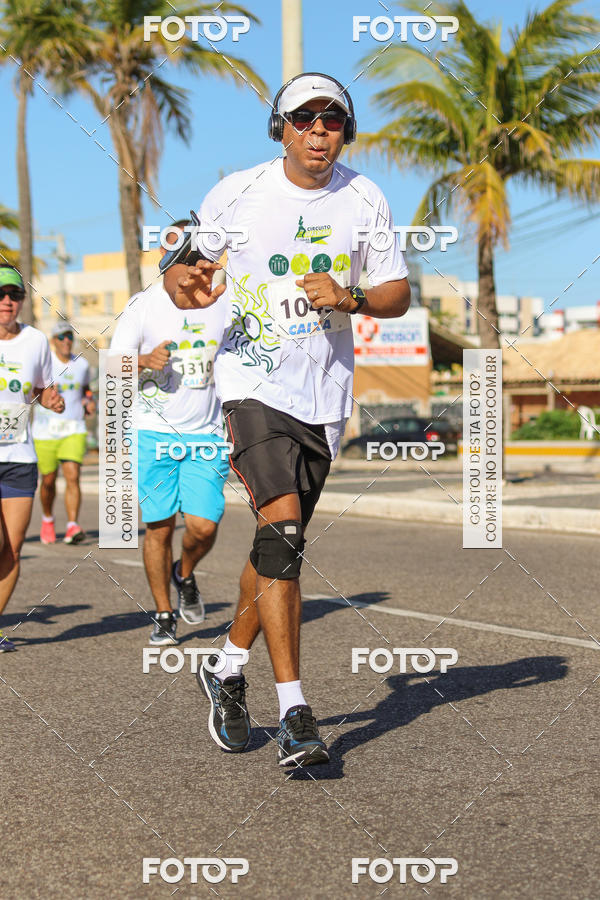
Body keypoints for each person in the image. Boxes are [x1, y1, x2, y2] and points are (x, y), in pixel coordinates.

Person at [162, 74, 411, 765]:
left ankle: (225, 669)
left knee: (280, 550)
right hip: (251, 383)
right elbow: (183, 271)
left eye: (334, 119)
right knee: (285, 532)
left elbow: (396, 290)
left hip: (324, 400)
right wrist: (183, 284)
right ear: (282, 129)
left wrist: (351, 294)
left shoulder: (365, 197)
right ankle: (297, 713)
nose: (320, 130)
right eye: (305, 118)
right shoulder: (239, 192)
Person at [110, 221, 229, 646]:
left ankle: (185, 573)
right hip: (152, 433)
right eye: (194, 258)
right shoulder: (142, 307)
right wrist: (141, 360)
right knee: (158, 528)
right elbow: (112, 367)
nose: (203, 267)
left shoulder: (222, 298)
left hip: (206, 435)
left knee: (203, 527)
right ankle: (163, 612)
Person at [0, 265, 64, 652]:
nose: (7, 301)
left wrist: (51, 399)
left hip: (19, 456)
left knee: (11, 548)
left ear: (22, 301)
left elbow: (43, 386)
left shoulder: (36, 341)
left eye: (14, 295)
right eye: (0, 295)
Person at [32, 322, 95, 544]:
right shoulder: (43, 363)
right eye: (61, 337)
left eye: (69, 336)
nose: (66, 340)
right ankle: (48, 518)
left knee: (72, 476)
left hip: (73, 428)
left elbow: (86, 388)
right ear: (53, 341)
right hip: (45, 431)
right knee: (48, 480)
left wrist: (89, 401)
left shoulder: (83, 364)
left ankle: (72, 526)